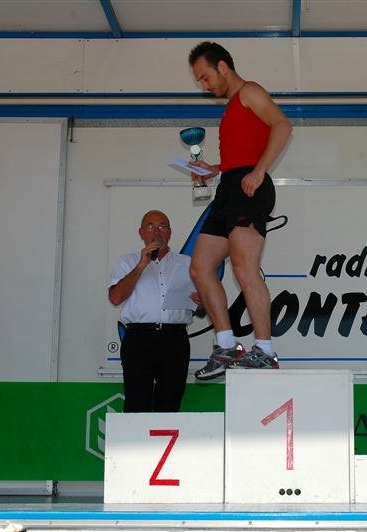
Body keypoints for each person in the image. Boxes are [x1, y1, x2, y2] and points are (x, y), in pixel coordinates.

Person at [187, 41, 293, 380]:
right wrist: (214, 169)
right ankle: (226, 345)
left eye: (205, 77)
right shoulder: (231, 108)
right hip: (229, 187)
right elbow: (239, 155)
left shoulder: (249, 91)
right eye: (199, 81)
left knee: (245, 268)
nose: (204, 86)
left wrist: (259, 171)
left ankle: (265, 350)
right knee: (200, 267)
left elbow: (282, 125)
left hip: (250, 187)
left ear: (222, 67)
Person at [108, 210, 199, 412]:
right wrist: (142, 265)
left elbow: (202, 308)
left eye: (162, 227)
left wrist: (202, 301)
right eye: (150, 226)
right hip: (139, 338)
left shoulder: (187, 263)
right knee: (136, 402)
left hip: (175, 339)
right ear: (141, 233)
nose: (157, 232)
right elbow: (115, 298)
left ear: (170, 233)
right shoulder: (126, 261)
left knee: (170, 403)